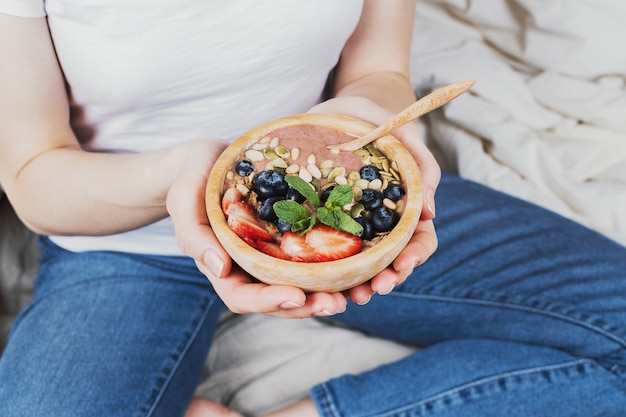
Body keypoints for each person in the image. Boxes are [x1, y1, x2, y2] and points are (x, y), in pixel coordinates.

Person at [0, 1, 624, 416]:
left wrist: (366, 112)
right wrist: (177, 176)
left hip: (343, 199)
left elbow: (377, 69)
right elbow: (34, 179)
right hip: (127, 244)